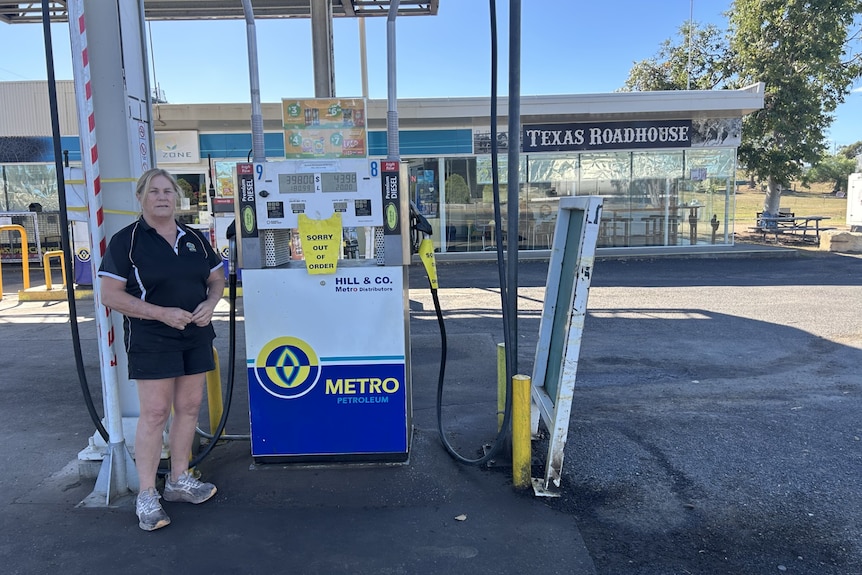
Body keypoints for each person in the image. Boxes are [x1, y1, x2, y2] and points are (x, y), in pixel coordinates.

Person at [98, 168, 225, 531]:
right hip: (152, 337)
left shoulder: (195, 239)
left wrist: (211, 303)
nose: (162, 197)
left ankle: (179, 480)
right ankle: (147, 494)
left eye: (168, 191)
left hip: (195, 332)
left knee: (188, 407)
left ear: (177, 198)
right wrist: (161, 314)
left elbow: (216, 276)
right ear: (140, 197)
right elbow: (110, 295)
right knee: (155, 414)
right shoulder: (127, 242)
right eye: (154, 191)